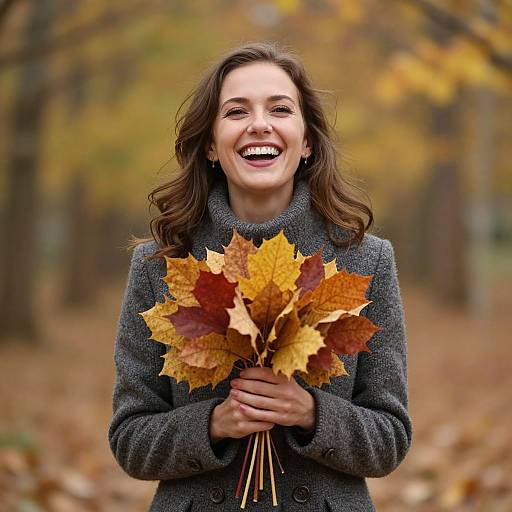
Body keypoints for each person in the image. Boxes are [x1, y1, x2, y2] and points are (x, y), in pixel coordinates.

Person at [108, 42, 412, 511]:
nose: (259, 124)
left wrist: (312, 414)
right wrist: (214, 423)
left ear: (307, 140)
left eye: (280, 108)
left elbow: (391, 438)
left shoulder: (364, 262)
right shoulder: (160, 266)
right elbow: (130, 440)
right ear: (210, 143)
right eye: (235, 111)